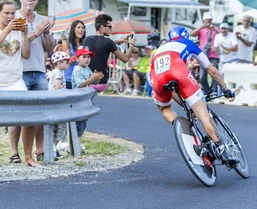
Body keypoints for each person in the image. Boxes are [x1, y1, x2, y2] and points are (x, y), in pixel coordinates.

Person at [150, 26, 236, 164]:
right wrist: (225, 89)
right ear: (186, 36)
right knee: (203, 114)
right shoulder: (188, 43)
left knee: (164, 108)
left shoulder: (159, 50)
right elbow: (211, 70)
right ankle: (222, 150)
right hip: (179, 72)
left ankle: (181, 125)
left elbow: (168, 87)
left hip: (157, 79)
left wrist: (185, 105)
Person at [0, 0, 36, 166]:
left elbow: (26, 55)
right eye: (7, 13)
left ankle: (28, 157)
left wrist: (24, 34)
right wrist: (7, 30)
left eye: (13, 13)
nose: (10, 17)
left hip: (15, 81)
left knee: (27, 119)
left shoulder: (18, 30)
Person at [9, 0, 55, 165]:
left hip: (39, 71)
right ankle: (14, 151)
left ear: (37, 0)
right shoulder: (14, 17)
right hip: (19, 71)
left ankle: (40, 149)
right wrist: (35, 32)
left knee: (40, 114)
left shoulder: (43, 20)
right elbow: (15, 44)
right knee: (17, 115)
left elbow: (50, 48)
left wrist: (46, 32)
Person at [83, 14, 136, 92]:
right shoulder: (108, 42)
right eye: (109, 27)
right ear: (102, 27)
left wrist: (118, 41)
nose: (111, 30)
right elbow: (125, 59)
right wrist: (131, 45)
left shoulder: (87, 39)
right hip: (101, 82)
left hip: (87, 81)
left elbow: (100, 44)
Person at [72, 47, 104, 151]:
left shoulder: (87, 69)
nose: (87, 59)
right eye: (84, 57)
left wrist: (97, 78)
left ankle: (77, 144)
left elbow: (93, 83)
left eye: (88, 57)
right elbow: (80, 84)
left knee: (83, 123)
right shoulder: (77, 70)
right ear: (77, 59)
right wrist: (92, 78)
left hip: (84, 100)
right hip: (77, 100)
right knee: (78, 123)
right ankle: (74, 146)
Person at [49, 51, 72, 159]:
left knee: (59, 128)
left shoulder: (59, 72)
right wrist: (65, 91)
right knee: (60, 127)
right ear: (58, 63)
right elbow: (58, 86)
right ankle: (52, 148)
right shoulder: (57, 73)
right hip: (56, 102)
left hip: (56, 102)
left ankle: (52, 148)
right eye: (66, 62)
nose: (68, 64)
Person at [190, 11, 220, 93]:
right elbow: (191, 34)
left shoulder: (215, 29)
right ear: (204, 21)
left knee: (214, 74)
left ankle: (214, 91)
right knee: (202, 77)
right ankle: (208, 91)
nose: (208, 22)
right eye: (206, 20)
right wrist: (200, 27)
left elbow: (221, 35)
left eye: (209, 20)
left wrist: (214, 29)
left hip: (214, 55)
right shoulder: (201, 30)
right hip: (204, 55)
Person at [61, 20, 86, 89]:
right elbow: (68, 62)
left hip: (81, 79)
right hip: (69, 78)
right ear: (73, 29)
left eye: (83, 28)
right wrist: (79, 52)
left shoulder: (85, 44)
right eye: (78, 27)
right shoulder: (66, 43)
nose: (81, 29)